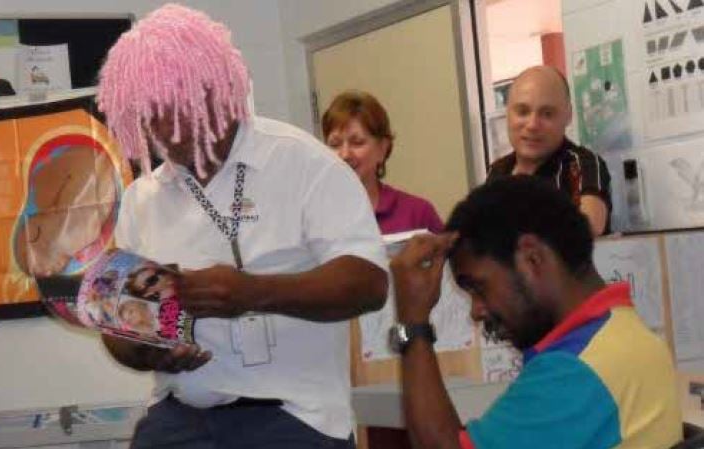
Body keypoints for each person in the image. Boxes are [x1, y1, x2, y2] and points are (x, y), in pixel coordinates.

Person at [96, 4, 388, 448]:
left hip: (292, 418)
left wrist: (252, 292)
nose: (165, 131)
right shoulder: (143, 199)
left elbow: (369, 282)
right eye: (150, 114)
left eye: (176, 110)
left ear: (218, 89)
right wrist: (146, 348)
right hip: (181, 417)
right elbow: (120, 325)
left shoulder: (302, 162)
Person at [390, 176, 681, 449]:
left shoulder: (576, 370)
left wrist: (413, 322)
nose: (476, 312)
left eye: (479, 287)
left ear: (532, 258)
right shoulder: (626, 334)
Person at [487, 65, 612, 236]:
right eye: (522, 112)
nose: (532, 125)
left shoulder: (582, 164)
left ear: (568, 115)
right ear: (508, 114)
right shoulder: (498, 171)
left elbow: (588, 228)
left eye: (547, 114)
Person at [322, 90, 443, 234]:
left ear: (382, 149)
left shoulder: (418, 213)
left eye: (357, 142)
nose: (345, 154)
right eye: (335, 144)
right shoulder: (313, 216)